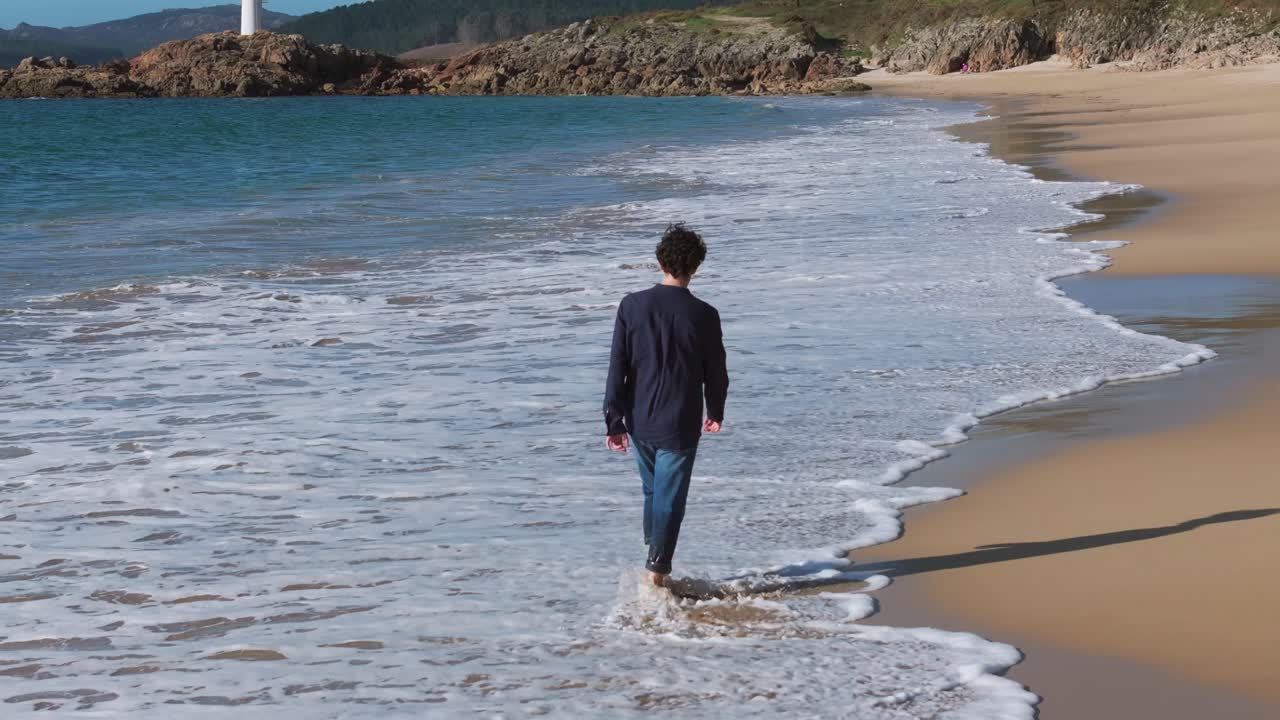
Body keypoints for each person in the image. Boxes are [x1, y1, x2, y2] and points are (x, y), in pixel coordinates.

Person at [603, 224, 729, 588]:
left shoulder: (632, 305)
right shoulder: (705, 314)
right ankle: (656, 570)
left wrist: (614, 420)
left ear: (660, 262)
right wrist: (715, 410)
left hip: (639, 417)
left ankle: (652, 552)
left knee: (654, 492)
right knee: (670, 498)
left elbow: (618, 366)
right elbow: (715, 371)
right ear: (697, 266)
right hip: (680, 420)